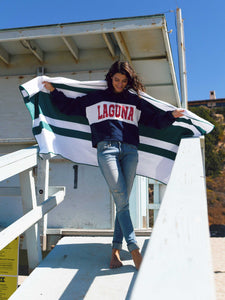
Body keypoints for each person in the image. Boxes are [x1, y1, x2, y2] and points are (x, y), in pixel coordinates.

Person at [43, 61, 184, 270]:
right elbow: (69, 107)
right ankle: (134, 249)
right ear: (111, 79)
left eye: (124, 81)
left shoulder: (134, 101)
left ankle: (115, 253)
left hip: (131, 151)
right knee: (120, 196)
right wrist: (53, 91)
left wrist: (171, 116)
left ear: (128, 82)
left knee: (122, 201)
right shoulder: (96, 98)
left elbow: (154, 120)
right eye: (117, 79)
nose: (119, 83)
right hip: (106, 149)